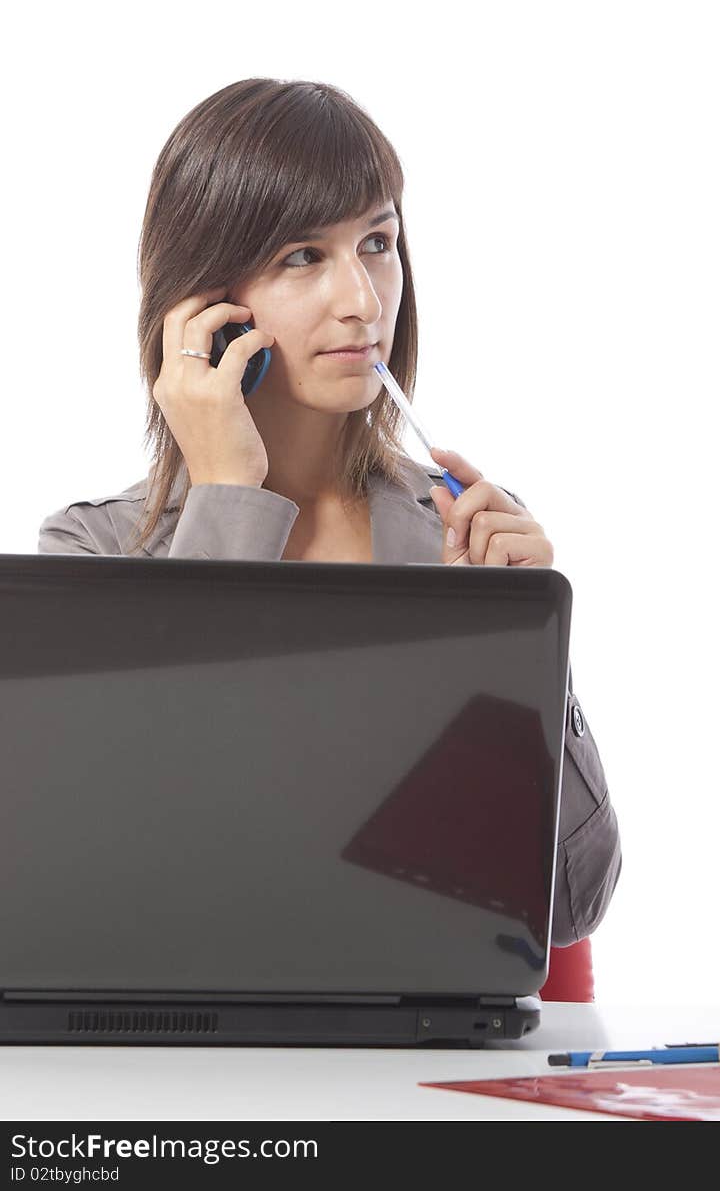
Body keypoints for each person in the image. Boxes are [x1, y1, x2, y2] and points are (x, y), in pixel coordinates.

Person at [37, 77, 622, 955]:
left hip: (425, 1047)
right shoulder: (95, 550)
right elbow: (146, 865)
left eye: (377, 243)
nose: (363, 298)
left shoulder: (458, 538)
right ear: (202, 302)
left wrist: (525, 655)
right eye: (303, 256)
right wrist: (227, 494)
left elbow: (569, 906)